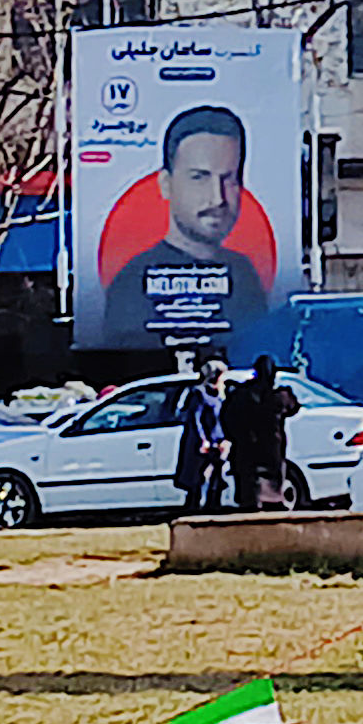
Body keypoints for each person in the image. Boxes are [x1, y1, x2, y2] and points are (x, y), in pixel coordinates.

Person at [95, 105, 273, 347]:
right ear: (166, 184)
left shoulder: (245, 276)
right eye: (199, 177)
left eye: (228, 178)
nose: (217, 198)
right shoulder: (132, 283)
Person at [220, 355, 299, 511]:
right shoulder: (279, 397)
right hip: (272, 446)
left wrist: (233, 436)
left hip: (246, 445)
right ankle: (273, 501)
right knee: (272, 478)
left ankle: (253, 505)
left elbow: (226, 416)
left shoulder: (241, 395)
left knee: (248, 482)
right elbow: (294, 407)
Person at [171, 357, 231, 514]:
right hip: (202, 443)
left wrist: (225, 439)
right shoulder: (199, 394)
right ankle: (194, 508)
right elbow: (195, 419)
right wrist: (203, 440)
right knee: (198, 477)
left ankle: (213, 506)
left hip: (219, 441)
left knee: (218, 475)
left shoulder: (220, 395)